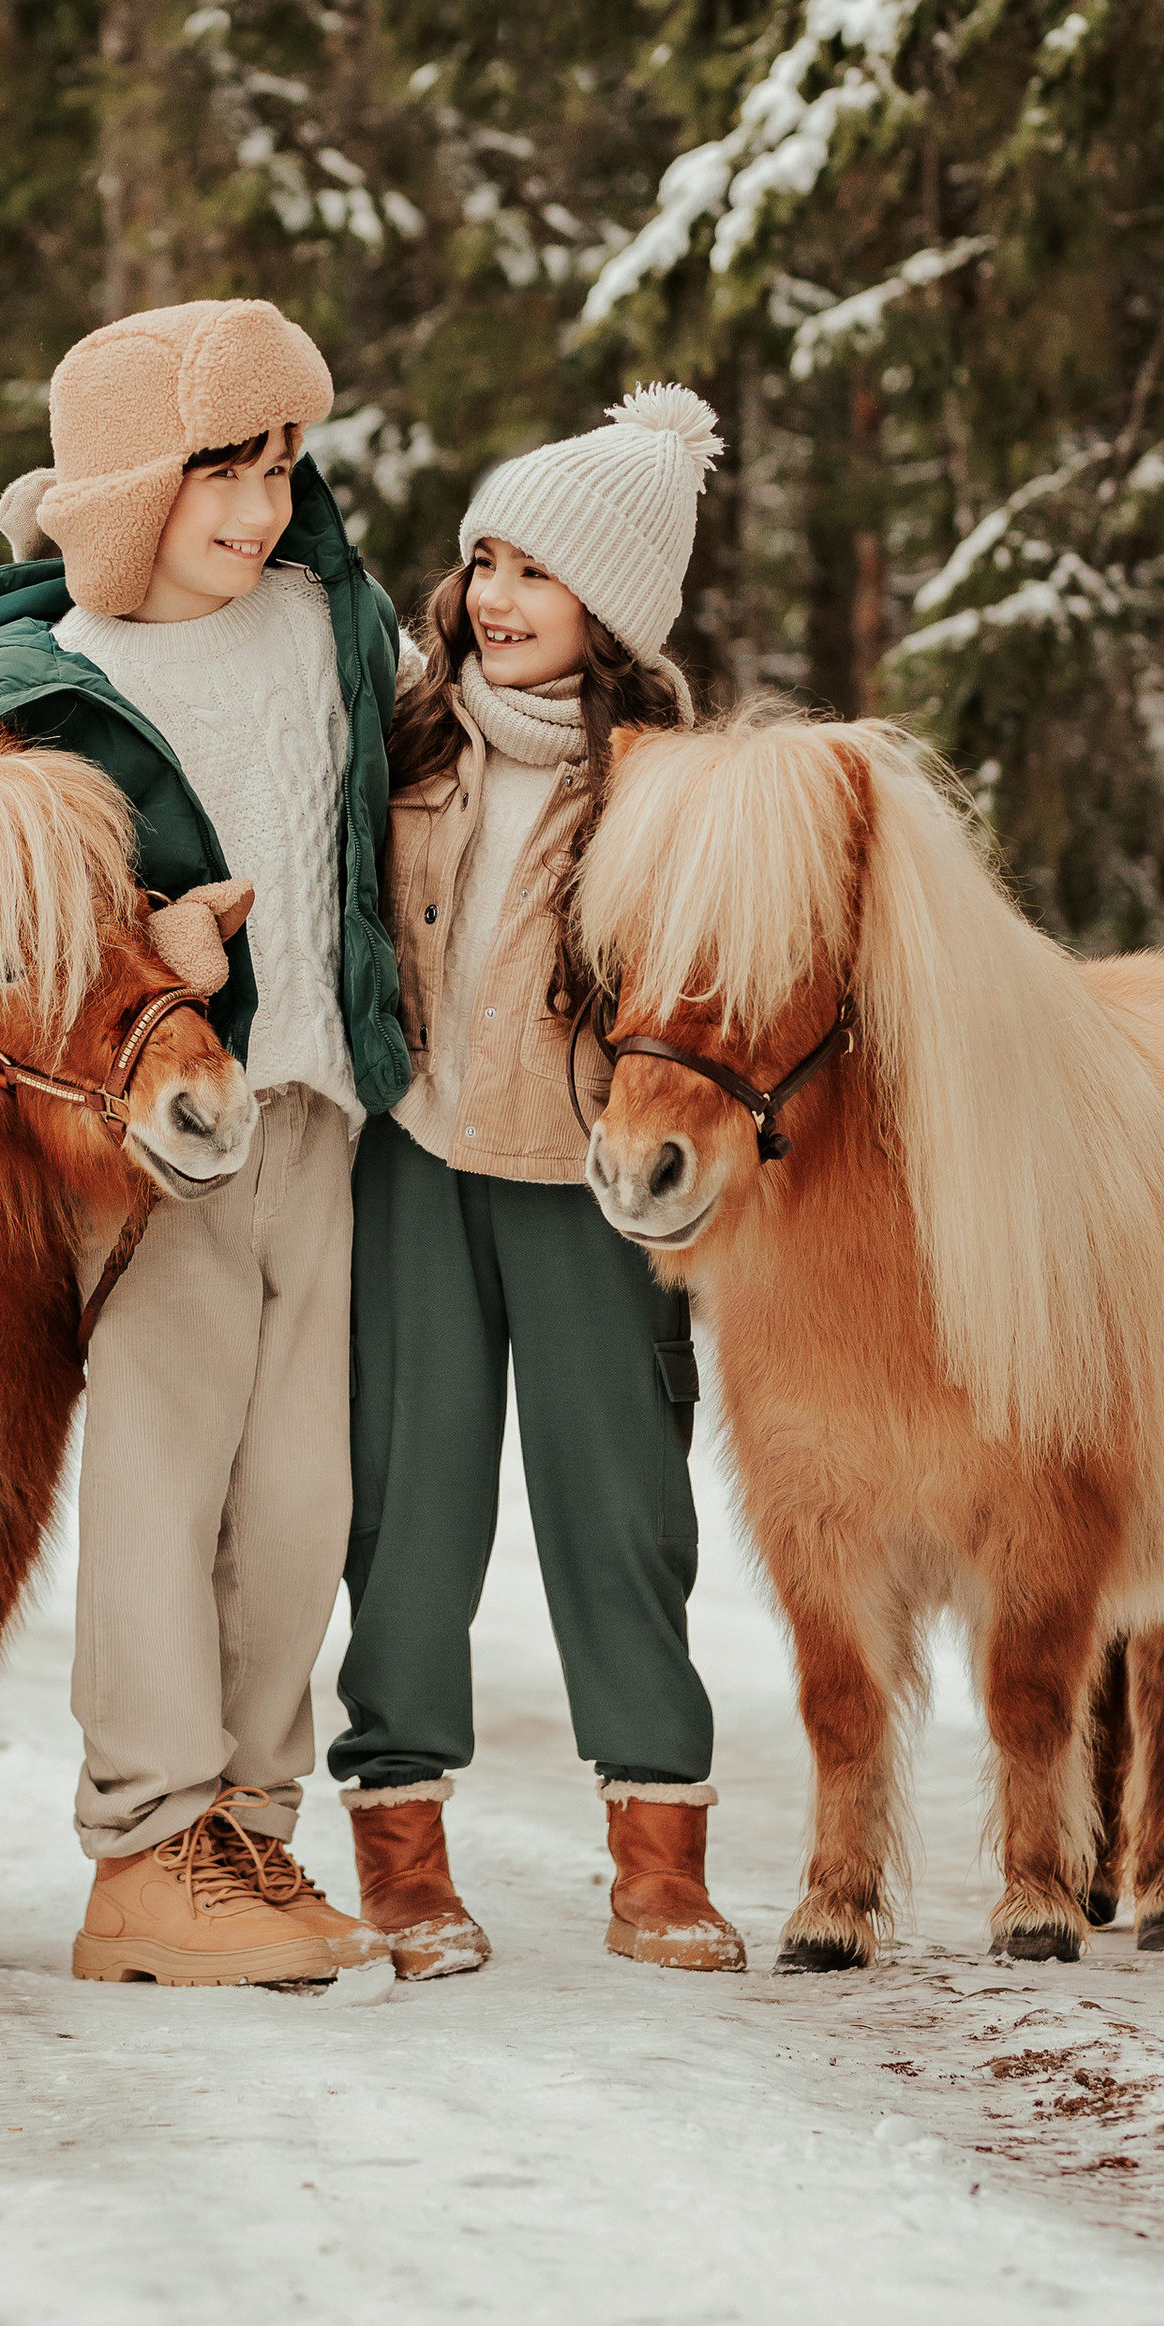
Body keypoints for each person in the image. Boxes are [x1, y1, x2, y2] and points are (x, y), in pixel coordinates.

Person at [0, 298, 408, 1991]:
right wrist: (154, 961)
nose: (258, 507)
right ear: (121, 489)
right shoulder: (53, 697)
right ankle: (145, 1847)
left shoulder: (331, 626)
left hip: (318, 1111)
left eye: (282, 466)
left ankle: (249, 1824)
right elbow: (15, 949)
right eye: (217, 472)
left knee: (304, 1494)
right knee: (168, 1486)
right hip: (155, 1149)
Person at [330, 386, 746, 1978]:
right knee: (409, 1511)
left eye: (537, 575)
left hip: (591, 1187)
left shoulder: (667, 789)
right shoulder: (408, 742)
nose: (493, 599)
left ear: (614, 615)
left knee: (619, 1513)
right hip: (416, 1164)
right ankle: (403, 1858)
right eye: (483, 562)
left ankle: (659, 1866)